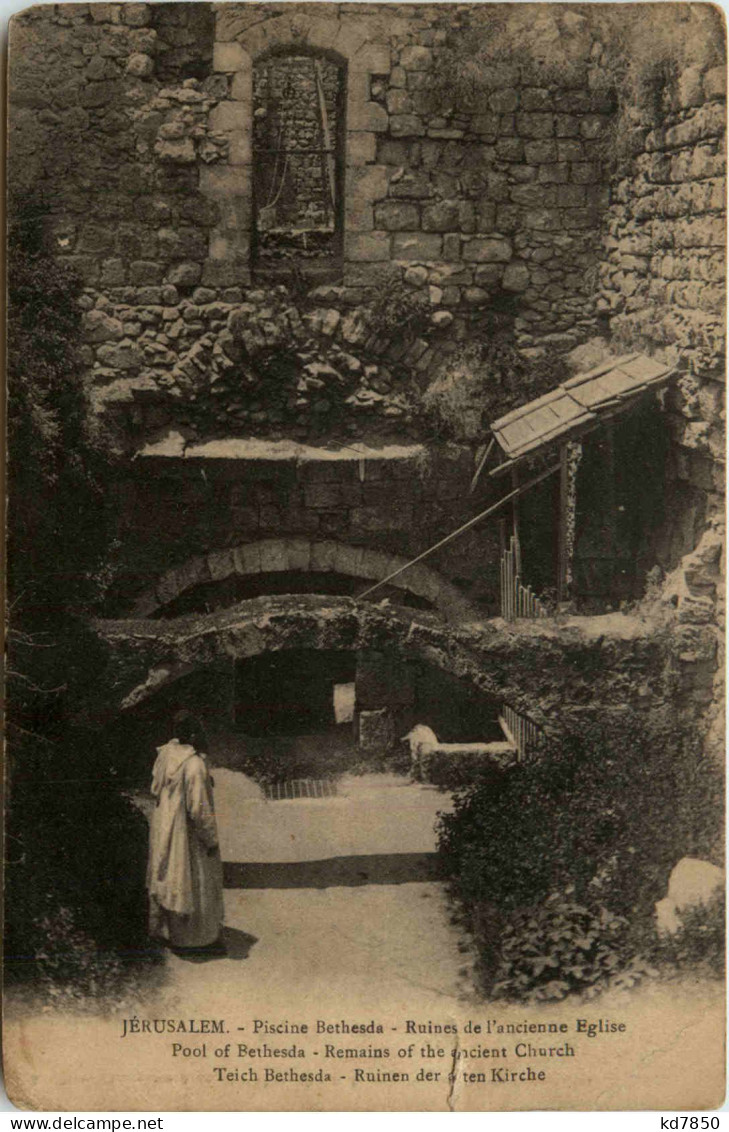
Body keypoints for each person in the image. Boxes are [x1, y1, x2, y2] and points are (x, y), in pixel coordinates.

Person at [146, 711, 225, 955]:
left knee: (170, 876)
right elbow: (199, 810)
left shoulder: (166, 756)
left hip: (165, 829)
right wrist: (210, 839)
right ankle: (197, 941)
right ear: (195, 734)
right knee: (194, 880)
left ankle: (170, 933)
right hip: (186, 835)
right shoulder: (194, 766)